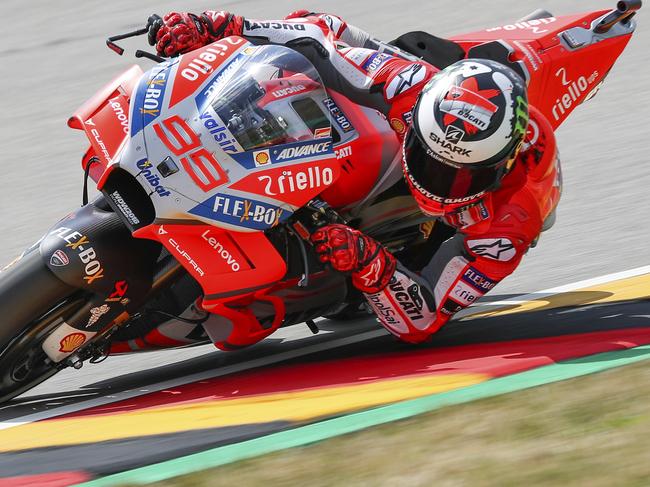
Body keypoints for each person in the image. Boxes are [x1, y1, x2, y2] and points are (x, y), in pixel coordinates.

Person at [145, 10, 561, 344]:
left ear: (500, 167)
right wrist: (219, 26)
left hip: (477, 217)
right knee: (320, 33)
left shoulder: (508, 223)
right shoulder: (409, 85)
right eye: (430, 157)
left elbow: (423, 318)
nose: (436, 178)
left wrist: (371, 263)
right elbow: (315, 39)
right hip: (394, 102)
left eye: (457, 174)